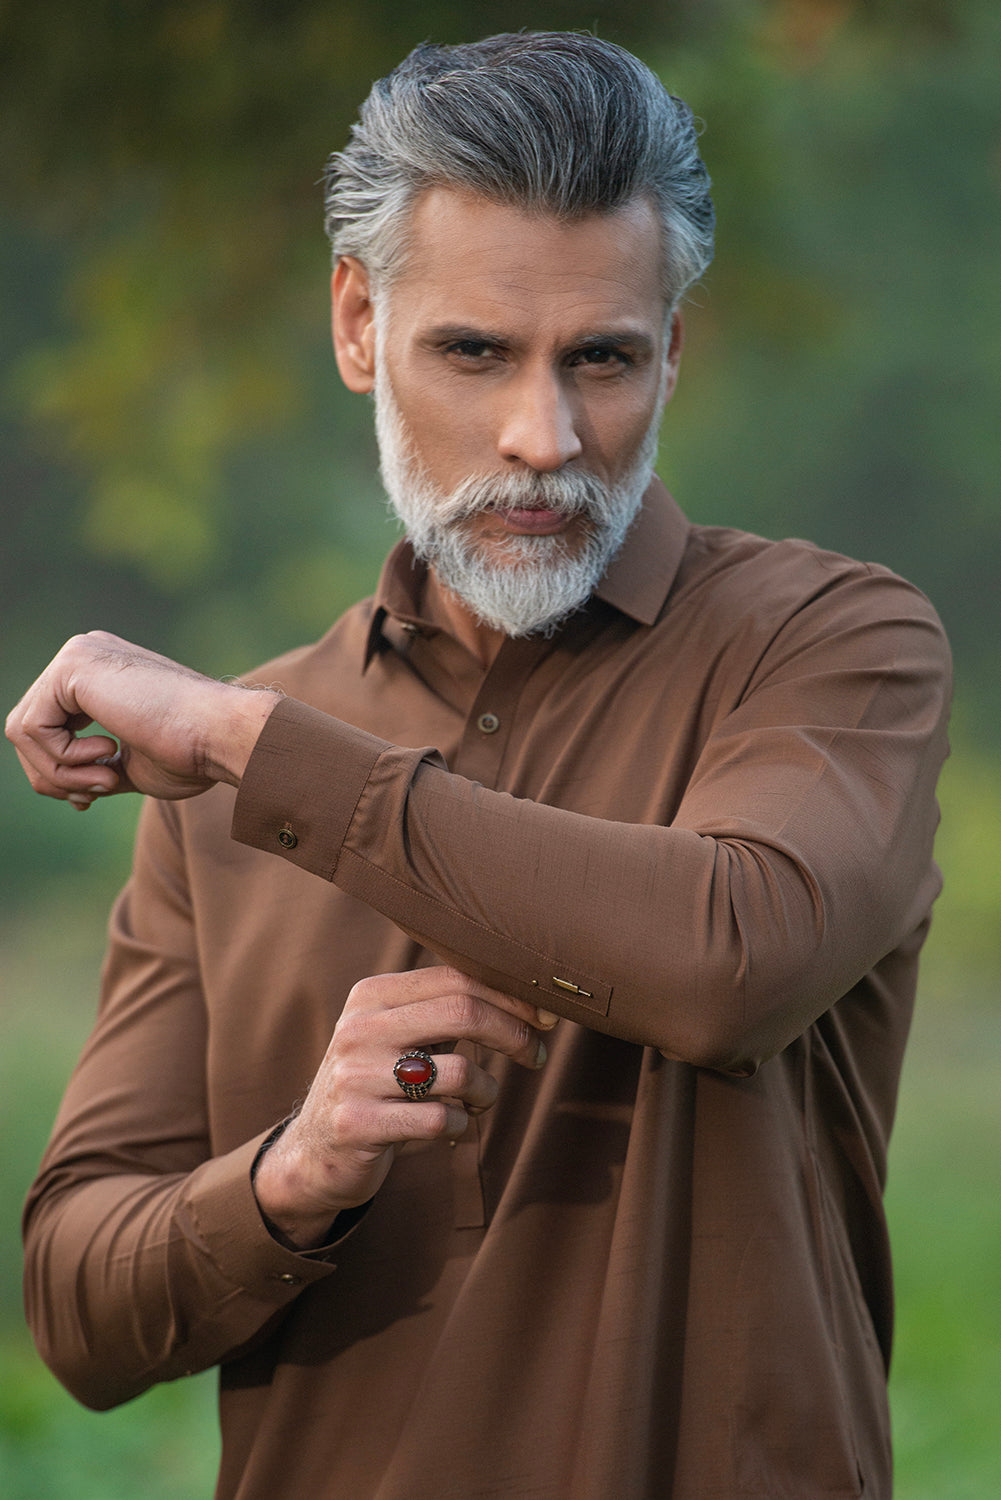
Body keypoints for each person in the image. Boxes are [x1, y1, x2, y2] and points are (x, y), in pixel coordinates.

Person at [6, 32, 950, 1500]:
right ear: (357, 325)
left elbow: (731, 960)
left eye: (602, 358)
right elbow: (79, 1314)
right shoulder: (234, 775)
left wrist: (251, 748)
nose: (542, 436)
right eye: (473, 352)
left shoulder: (831, 642)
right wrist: (292, 1174)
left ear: (674, 349)